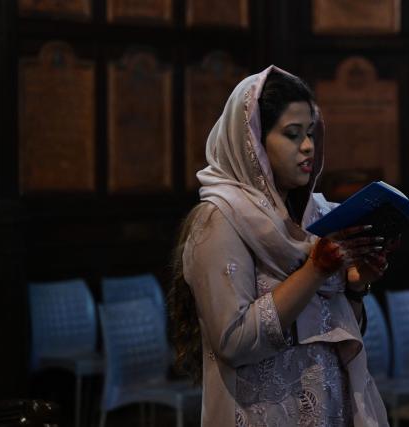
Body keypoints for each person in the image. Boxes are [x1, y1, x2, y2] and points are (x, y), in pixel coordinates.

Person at [168, 65, 392, 426]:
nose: (307, 146)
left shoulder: (311, 215)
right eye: (291, 134)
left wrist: (355, 286)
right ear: (253, 141)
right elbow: (234, 342)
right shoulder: (219, 219)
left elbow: (330, 332)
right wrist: (315, 270)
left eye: (309, 133)